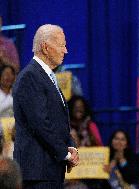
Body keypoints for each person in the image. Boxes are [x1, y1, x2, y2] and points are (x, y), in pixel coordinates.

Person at [12, 24, 79, 189]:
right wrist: (65, 153)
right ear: (46, 47)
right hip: (37, 173)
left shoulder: (46, 76)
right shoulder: (30, 77)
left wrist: (71, 147)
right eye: (62, 45)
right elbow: (40, 124)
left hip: (49, 169)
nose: (66, 51)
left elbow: (58, 122)